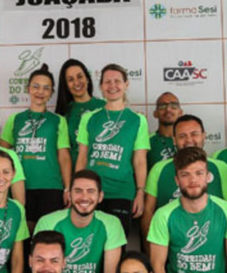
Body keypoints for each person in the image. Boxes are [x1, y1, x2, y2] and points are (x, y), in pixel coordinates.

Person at [34, 170, 126, 273]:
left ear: (100, 196)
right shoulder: (49, 222)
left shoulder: (111, 224)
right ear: (68, 195)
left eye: (91, 191)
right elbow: (41, 269)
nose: (84, 197)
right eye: (78, 191)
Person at [76, 63, 150, 234]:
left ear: (126, 84)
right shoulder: (89, 118)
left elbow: (139, 160)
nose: (112, 86)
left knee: (116, 244)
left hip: (122, 192)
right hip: (91, 192)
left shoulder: (138, 120)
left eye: (117, 81)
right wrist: (75, 189)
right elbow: (82, 157)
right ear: (101, 86)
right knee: (91, 243)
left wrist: (140, 192)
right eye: (107, 82)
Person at [143, 114, 227, 243]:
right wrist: (151, 251)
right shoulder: (159, 169)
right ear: (174, 140)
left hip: (214, 253)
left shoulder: (221, 168)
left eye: (194, 134)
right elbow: (148, 213)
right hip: (170, 250)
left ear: (204, 136)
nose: (189, 140)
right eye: (182, 136)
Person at [0, 64, 72, 227]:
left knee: (48, 234)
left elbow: (64, 156)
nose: (41, 92)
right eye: (36, 86)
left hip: (51, 187)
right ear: (28, 88)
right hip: (21, 186)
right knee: (24, 235)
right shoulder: (15, 119)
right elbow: (0, 152)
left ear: (52, 92)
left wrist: (67, 188)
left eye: (46, 88)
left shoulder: (58, 120)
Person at [55, 58, 105, 167]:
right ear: (66, 85)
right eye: (70, 79)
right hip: (76, 176)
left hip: (102, 172)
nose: (76, 82)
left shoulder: (104, 106)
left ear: (87, 78)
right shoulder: (63, 113)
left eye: (80, 76)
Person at [149, 92, 183, 163]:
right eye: (162, 106)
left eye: (173, 105)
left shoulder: (188, 140)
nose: (168, 109)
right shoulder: (147, 141)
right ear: (155, 114)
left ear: (180, 112)